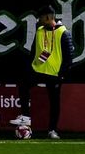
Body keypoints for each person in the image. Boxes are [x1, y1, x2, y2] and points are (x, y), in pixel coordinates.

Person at [10, 7, 75, 139]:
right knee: (23, 84)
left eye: (40, 17)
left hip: (54, 73)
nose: (39, 20)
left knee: (54, 101)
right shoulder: (39, 30)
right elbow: (34, 50)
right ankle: (26, 117)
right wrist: (30, 67)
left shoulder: (64, 32)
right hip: (38, 69)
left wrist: (62, 74)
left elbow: (69, 56)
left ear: (48, 17)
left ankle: (52, 130)